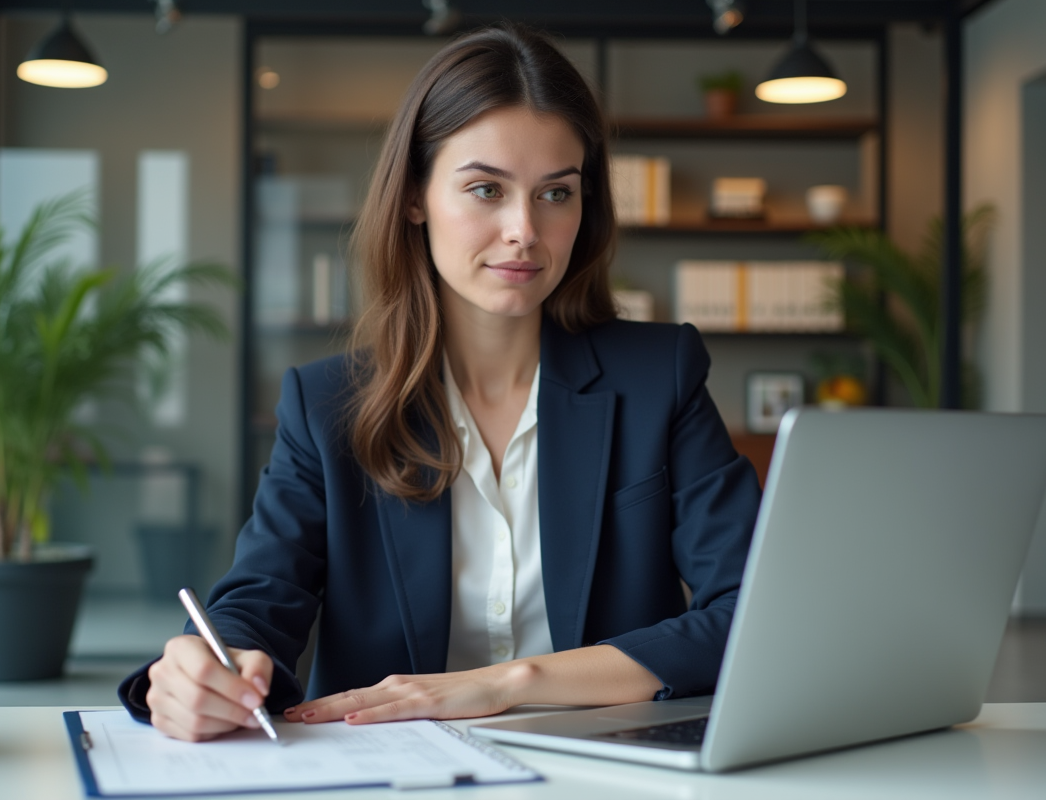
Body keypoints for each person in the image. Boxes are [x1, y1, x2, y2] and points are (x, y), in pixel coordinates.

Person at [119, 23, 761, 742]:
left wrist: (508, 684)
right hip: (391, 774)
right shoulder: (327, 405)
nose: (524, 229)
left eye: (556, 193)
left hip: (610, 770)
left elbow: (755, 607)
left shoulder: (659, 377)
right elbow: (257, 603)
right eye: (486, 188)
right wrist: (205, 671)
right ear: (416, 196)